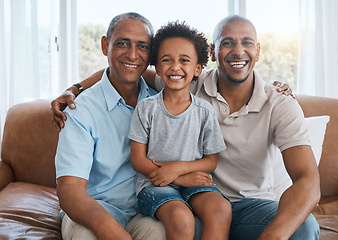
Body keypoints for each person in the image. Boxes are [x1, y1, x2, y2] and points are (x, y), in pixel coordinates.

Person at [52, 14, 318, 240]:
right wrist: (75, 88)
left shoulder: (278, 103)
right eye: (227, 43)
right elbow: (126, 68)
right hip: (178, 202)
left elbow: (308, 180)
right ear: (213, 53)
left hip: (234, 203)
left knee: (304, 226)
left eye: (247, 43)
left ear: (258, 51)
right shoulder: (182, 88)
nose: (238, 51)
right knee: (175, 224)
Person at [55, 12, 159, 240]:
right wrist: (109, 229)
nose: (133, 54)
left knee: (162, 231)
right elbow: (70, 190)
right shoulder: (79, 110)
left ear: (151, 54)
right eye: (123, 43)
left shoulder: (161, 101)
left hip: (144, 211)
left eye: (142, 46)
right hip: (91, 209)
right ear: (105, 45)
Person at [129, 21, 231, 240]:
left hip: (194, 182)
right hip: (153, 184)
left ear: (197, 68)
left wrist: (176, 170)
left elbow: (211, 161)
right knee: (181, 217)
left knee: (220, 209)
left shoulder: (204, 111)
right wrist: (178, 178)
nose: (175, 67)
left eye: (184, 60)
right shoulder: (146, 108)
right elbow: (138, 160)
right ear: (157, 67)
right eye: (167, 60)